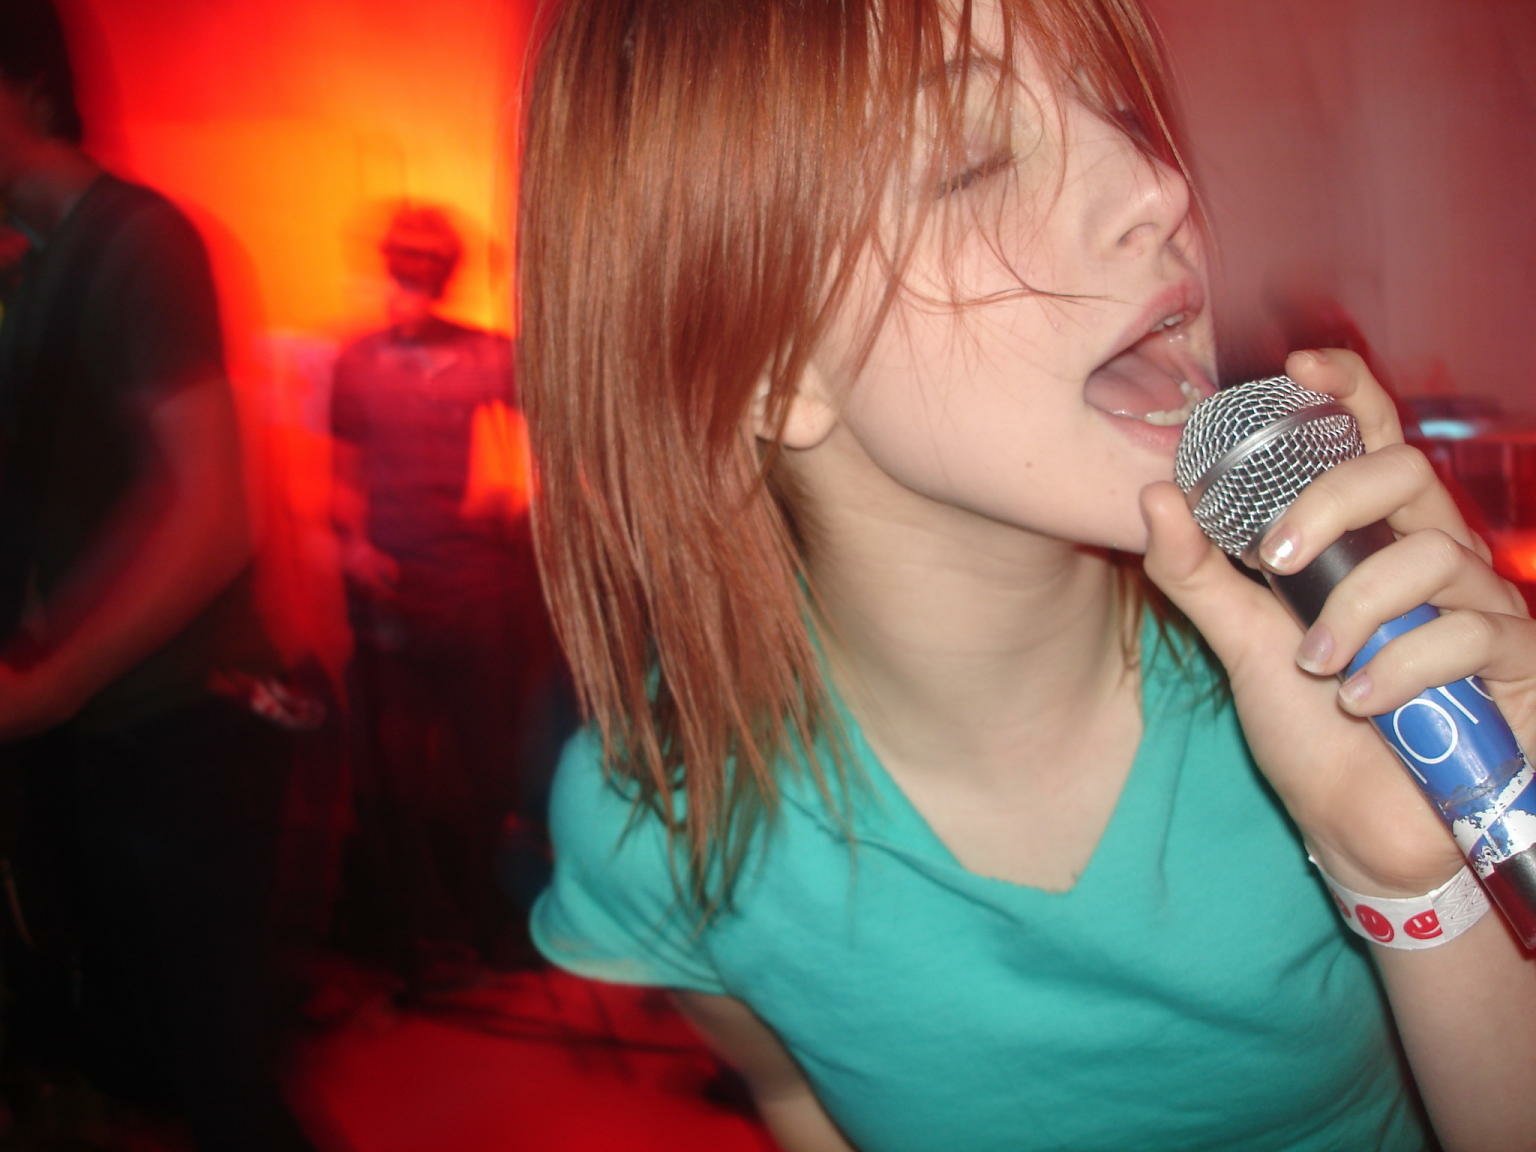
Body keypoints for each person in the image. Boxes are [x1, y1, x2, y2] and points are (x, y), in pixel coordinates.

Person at [515, 2, 1536, 1150]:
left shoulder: (1357, 678)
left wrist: (1422, 880)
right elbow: (798, 1094)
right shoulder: (668, 824)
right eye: (971, 162)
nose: (1158, 186)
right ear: (759, 362)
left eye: (1114, 108)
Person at [0, 3, 311, 1147]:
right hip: (106, 733)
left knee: (216, 1078)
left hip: (184, 732)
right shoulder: (32, 273)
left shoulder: (138, 243)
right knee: (137, 1057)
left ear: (28, 86)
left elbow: (213, 517)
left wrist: (43, 686)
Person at [329, 203, 545, 994]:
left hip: (480, 597)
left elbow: (557, 449)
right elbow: (342, 479)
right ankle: (408, 936)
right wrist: (350, 544)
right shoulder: (357, 363)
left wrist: (523, 495)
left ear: (449, 267)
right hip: (389, 604)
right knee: (391, 777)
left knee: (489, 770)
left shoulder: (496, 358)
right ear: (387, 261)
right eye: (403, 254)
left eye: (430, 256)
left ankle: (491, 927)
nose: (414, 268)